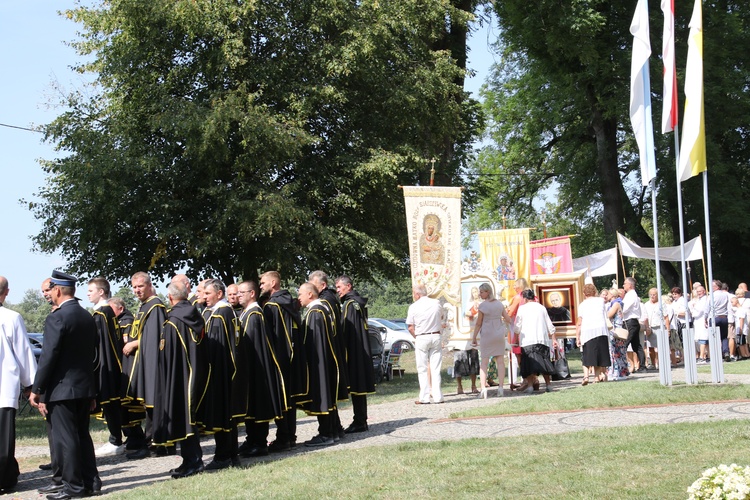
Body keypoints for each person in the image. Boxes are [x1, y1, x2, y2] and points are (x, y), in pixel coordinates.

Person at [30, 270, 100, 499]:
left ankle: (74, 487)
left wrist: (37, 389)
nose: (50, 293)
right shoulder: (86, 316)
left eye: (50, 290)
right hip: (83, 387)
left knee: (66, 438)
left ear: (58, 290)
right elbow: (93, 355)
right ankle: (91, 482)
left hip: (61, 388)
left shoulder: (57, 317)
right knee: (82, 436)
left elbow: (48, 357)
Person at [152, 280, 205, 479]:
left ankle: (194, 461)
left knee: (184, 418)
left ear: (171, 297)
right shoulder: (193, 314)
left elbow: (169, 354)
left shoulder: (174, 321)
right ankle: (189, 460)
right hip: (193, 372)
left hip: (179, 375)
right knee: (187, 418)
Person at [236, 280, 286, 458]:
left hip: (257, 368)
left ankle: (259, 443)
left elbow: (253, 346)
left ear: (252, 294)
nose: (238, 295)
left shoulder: (254, 315)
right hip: (250, 369)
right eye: (238, 292)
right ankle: (251, 440)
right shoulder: (245, 314)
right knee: (251, 406)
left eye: (242, 292)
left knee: (258, 406)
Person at [196, 279, 240, 470]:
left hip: (221, 371)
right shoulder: (216, 312)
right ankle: (230, 454)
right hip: (219, 370)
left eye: (207, 294)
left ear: (219, 294)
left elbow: (220, 347)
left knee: (223, 415)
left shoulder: (222, 313)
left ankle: (224, 456)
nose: (204, 297)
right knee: (224, 414)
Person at [123, 272, 167, 459]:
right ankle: (151, 441)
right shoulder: (144, 306)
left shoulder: (155, 306)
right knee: (149, 403)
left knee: (154, 402)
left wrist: (134, 344)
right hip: (143, 361)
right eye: (134, 287)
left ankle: (157, 443)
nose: (137, 290)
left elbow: (154, 337)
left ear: (149, 285)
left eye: (140, 286)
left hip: (153, 362)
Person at [0, 277, 37, 494]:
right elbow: (23, 352)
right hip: (4, 386)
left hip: (4, 386)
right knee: (3, 438)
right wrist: (30, 384)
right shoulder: (11, 318)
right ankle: (4, 478)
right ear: (6, 292)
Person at [260, 271, 303, 452]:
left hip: (278, 357)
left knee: (281, 397)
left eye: (263, 282)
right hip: (292, 356)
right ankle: (289, 436)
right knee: (289, 398)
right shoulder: (291, 303)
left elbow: (271, 336)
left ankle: (283, 438)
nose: (261, 285)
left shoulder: (272, 306)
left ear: (273, 282)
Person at [86, 277, 126, 458]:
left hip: (106, 363)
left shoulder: (102, 313)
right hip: (111, 361)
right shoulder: (106, 312)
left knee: (110, 401)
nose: (87, 294)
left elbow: (99, 344)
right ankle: (116, 438)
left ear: (101, 292)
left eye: (90, 291)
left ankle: (115, 440)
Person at [298, 283, 339, 447]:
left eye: (300, 294)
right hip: (325, 360)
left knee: (322, 396)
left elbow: (314, 342)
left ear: (310, 294)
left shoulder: (315, 313)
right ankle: (333, 431)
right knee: (326, 396)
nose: (298, 297)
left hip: (318, 361)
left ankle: (326, 433)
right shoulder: (322, 310)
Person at [309, 271, 347, 439]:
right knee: (329, 393)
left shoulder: (323, 303)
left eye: (313, 285)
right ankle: (336, 427)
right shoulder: (331, 300)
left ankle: (330, 430)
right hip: (334, 348)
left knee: (326, 392)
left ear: (322, 285)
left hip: (329, 350)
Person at [336, 275, 374, 433]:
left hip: (354, 350)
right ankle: (360, 419)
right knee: (359, 386)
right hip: (361, 348)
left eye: (339, 287)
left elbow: (347, 330)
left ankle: (359, 421)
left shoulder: (350, 304)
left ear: (348, 286)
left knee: (357, 386)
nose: (337, 290)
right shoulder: (356, 302)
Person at [470, 283, 511, 398]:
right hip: (498, 334)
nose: (479, 294)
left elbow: (478, 323)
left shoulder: (483, 306)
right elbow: (508, 319)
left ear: (487, 292)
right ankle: (501, 388)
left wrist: (474, 337)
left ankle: (483, 389)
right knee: (500, 361)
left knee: (484, 362)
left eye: (482, 292)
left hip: (487, 334)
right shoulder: (499, 304)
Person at [514, 288, 557, 393]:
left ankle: (530, 386)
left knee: (527, 364)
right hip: (541, 339)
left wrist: (516, 339)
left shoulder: (522, 309)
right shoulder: (541, 307)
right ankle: (548, 385)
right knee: (545, 362)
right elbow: (549, 325)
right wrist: (554, 339)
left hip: (527, 340)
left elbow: (517, 326)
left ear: (524, 298)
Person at [406, 284, 444, 404]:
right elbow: (441, 316)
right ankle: (438, 396)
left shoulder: (413, 306)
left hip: (422, 336)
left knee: (422, 368)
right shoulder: (436, 303)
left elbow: (410, 327)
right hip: (436, 335)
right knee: (435, 367)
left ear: (417, 294)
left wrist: (416, 336)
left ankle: (424, 397)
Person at [575, 284, 611, 385]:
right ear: (595, 292)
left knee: (589, 356)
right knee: (600, 355)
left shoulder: (582, 305)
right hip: (601, 330)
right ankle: (597, 377)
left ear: (584, 293)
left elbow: (579, 322)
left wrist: (577, 336)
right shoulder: (600, 301)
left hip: (588, 331)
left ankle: (588, 377)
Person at [621, 277, 645, 372]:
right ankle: (642, 366)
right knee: (636, 345)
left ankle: (623, 365)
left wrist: (619, 309)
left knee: (625, 343)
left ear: (630, 285)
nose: (623, 285)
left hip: (630, 322)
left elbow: (625, 308)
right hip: (631, 322)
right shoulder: (629, 295)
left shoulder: (631, 295)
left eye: (625, 283)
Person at [642, 288, 670, 370]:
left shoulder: (662, 304)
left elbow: (666, 317)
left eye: (654, 294)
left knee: (661, 347)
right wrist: (646, 328)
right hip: (650, 327)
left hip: (660, 327)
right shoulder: (646, 304)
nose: (652, 296)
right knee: (650, 347)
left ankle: (662, 363)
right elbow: (645, 317)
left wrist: (668, 329)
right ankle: (653, 364)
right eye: (651, 294)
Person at [606, 288, 629, 380]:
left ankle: (619, 373)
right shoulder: (615, 303)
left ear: (612, 295)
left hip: (616, 330)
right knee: (616, 352)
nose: (606, 296)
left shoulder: (615, 304)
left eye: (608, 294)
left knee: (616, 352)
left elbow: (609, 315)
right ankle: (617, 372)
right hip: (614, 330)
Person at [708, 280, 730, 360]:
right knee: (724, 337)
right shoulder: (725, 295)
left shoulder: (712, 296)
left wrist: (705, 317)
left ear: (717, 287)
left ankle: (717, 354)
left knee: (714, 336)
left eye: (712, 286)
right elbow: (729, 306)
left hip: (715, 317)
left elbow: (708, 307)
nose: (711, 288)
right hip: (724, 317)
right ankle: (726, 352)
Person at [690, 285, 709, 363]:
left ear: (704, 291)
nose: (699, 293)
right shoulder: (698, 300)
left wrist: (694, 307)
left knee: (703, 339)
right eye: (697, 292)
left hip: (702, 321)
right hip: (698, 321)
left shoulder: (705, 299)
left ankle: (702, 356)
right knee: (702, 340)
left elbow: (700, 310)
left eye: (700, 291)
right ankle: (706, 356)